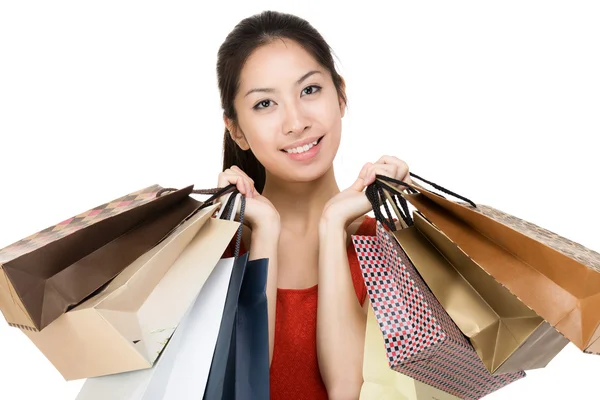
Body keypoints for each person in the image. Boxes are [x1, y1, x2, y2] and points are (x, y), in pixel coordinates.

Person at [216, 10, 411, 400]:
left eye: (309, 90)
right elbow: (234, 389)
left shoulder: (390, 249)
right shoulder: (213, 251)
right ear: (236, 129)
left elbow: (351, 393)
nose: (296, 122)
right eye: (265, 104)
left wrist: (335, 223)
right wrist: (265, 235)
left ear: (341, 94)